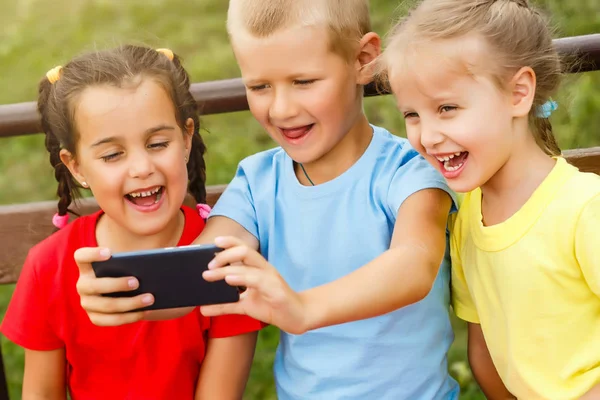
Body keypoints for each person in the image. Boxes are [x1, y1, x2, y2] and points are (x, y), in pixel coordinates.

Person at [74, 1, 461, 399]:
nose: (281, 109)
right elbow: (200, 271)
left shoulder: (410, 172)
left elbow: (413, 266)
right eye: (260, 87)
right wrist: (125, 293)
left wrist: (302, 308)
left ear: (363, 59)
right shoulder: (258, 182)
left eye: (304, 81)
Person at [1, 45, 263, 400]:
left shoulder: (224, 257)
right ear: (75, 165)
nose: (141, 168)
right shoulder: (49, 266)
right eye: (112, 154)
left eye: (157, 143)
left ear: (186, 139)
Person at [380, 0, 600, 398]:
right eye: (412, 114)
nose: (426, 136)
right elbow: (482, 350)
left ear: (518, 93)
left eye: (447, 108)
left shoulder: (584, 208)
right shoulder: (466, 219)